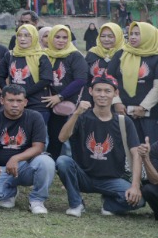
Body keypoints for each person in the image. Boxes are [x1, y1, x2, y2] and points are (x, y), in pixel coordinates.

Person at [56, 76, 144, 216]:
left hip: (112, 179)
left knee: (139, 201)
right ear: (90, 91)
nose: (102, 95)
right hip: (83, 175)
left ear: (115, 94)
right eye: (98, 90)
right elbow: (62, 137)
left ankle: (109, 204)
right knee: (63, 161)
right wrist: (77, 113)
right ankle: (76, 204)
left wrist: (135, 186)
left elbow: (136, 154)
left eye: (107, 91)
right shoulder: (81, 117)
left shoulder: (124, 121)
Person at [0, 84, 55, 214]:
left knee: (46, 162)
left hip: (26, 166)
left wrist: (16, 158)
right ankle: (9, 193)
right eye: (10, 100)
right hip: (0, 168)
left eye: (19, 101)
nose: (15, 104)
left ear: (25, 102)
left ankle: (37, 200)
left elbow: (38, 147)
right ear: (2, 101)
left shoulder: (35, 117)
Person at [42, 23, 88, 159]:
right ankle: (49, 162)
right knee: (49, 133)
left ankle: (61, 161)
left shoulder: (74, 56)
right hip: (46, 101)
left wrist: (60, 96)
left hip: (65, 102)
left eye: (64, 37)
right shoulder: (44, 55)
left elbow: (81, 80)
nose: (61, 40)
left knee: (62, 134)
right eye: (57, 37)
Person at [109, 22, 158, 146]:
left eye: (138, 34)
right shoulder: (120, 54)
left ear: (149, 36)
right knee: (126, 148)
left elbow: (157, 87)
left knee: (149, 150)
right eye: (131, 34)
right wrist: (116, 102)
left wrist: (143, 107)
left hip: (149, 114)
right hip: (122, 111)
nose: (133, 37)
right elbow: (109, 80)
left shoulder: (155, 57)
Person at [5, 24, 53, 124]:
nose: (22, 39)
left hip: (36, 104)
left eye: (27, 35)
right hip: (13, 104)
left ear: (34, 37)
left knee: (38, 137)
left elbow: (46, 79)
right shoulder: (10, 55)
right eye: (20, 35)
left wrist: (23, 94)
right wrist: (7, 92)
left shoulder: (41, 56)